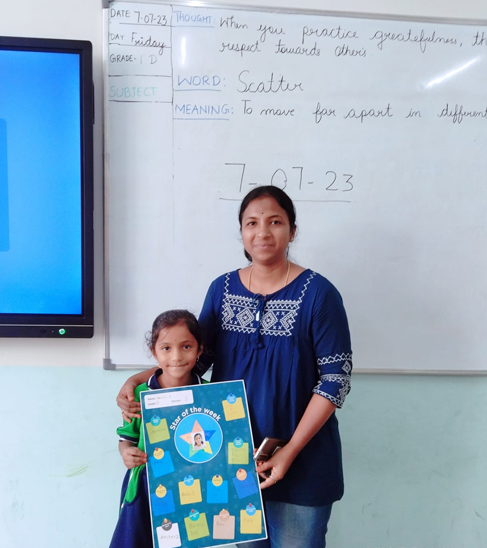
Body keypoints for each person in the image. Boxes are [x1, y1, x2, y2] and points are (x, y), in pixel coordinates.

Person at [117, 186, 353, 548]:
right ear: (241, 232)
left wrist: (290, 450)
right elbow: (194, 359)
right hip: (232, 463)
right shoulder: (222, 290)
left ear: (292, 231)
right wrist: (137, 380)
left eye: (275, 222)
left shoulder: (319, 294)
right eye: (251, 223)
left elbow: (335, 380)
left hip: (303, 462)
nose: (263, 232)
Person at [109, 309, 207, 548]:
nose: (177, 357)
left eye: (186, 346)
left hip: (190, 490)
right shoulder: (139, 394)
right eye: (166, 348)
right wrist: (126, 453)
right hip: (145, 488)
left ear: (199, 350)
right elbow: (126, 439)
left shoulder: (210, 394)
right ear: (154, 352)